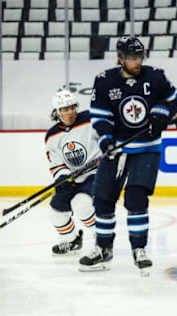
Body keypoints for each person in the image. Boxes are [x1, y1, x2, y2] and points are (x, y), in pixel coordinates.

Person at [79, 36, 177, 275]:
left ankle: (139, 249)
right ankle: (103, 249)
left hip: (147, 147)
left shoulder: (155, 76)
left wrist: (160, 115)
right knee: (103, 199)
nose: (137, 62)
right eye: (132, 58)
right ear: (120, 58)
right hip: (117, 148)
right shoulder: (104, 81)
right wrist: (106, 141)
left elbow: (173, 101)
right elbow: (100, 116)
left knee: (136, 197)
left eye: (139, 57)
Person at [45, 89, 98, 256]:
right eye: (64, 109)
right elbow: (56, 162)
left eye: (72, 107)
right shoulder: (52, 135)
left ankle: (102, 239)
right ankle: (72, 240)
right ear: (57, 112)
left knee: (82, 204)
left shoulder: (90, 118)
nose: (69, 112)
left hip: (94, 173)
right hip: (71, 178)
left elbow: (108, 132)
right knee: (56, 212)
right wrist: (62, 177)